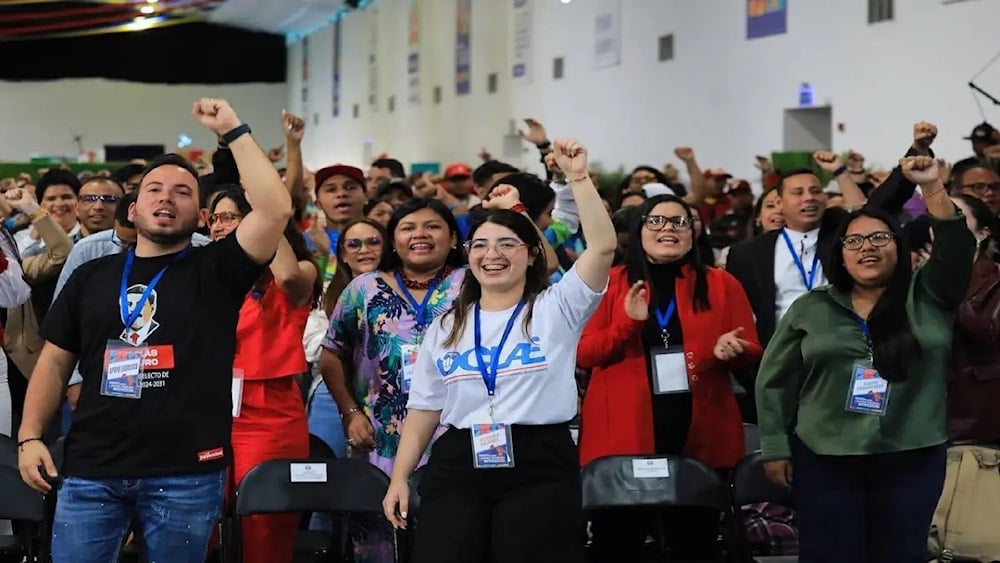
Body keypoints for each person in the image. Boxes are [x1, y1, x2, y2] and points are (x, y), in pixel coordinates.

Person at [16, 98, 292, 563]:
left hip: (186, 472)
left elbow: (276, 209)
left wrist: (231, 129)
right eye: (154, 189)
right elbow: (54, 361)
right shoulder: (92, 274)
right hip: (92, 470)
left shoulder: (219, 268)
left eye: (183, 192)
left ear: (202, 216)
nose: (166, 197)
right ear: (134, 209)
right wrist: (29, 436)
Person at [383, 139, 616, 563]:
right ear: (468, 255)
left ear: (531, 256)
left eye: (507, 244)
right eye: (481, 245)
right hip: (458, 460)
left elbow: (601, 247)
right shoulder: (448, 325)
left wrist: (577, 178)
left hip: (538, 461)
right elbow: (424, 409)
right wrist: (400, 477)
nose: (493, 254)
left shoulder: (557, 308)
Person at [755, 156, 975, 563]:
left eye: (880, 238)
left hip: (912, 452)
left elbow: (957, 248)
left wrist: (931, 187)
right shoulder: (812, 308)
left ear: (902, 247)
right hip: (824, 457)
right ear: (840, 253)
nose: (866, 248)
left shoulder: (929, 295)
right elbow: (775, 380)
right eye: (853, 241)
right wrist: (774, 447)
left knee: (901, 554)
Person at [577, 194, 761, 558]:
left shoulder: (722, 284)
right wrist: (628, 324)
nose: (668, 229)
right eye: (656, 221)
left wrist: (730, 351)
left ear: (694, 233)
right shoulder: (610, 283)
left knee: (696, 545)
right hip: (623, 440)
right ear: (638, 230)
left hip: (699, 434)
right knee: (618, 545)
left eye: (679, 222)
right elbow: (584, 353)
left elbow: (753, 348)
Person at [208, 186, 321, 563]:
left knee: (264, 526)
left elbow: (289, 277)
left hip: (269, 413)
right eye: (215, 218)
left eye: (231, 217)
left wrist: (269, 216)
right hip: (205, 408)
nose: (220, 226)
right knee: (199, 521)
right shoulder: (205, 273)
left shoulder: (296, 273)